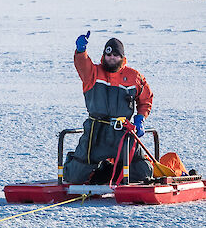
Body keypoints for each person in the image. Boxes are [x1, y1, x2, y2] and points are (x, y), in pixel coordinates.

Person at [63, 31, 154, 184]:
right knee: (74, 177)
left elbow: (146, 99)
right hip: (96, 131)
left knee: (144, 172)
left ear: (122, 58)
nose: (111, 58)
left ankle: (111, 170)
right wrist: (80, 50)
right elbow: (82, 63)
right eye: (108, 55)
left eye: (115, 55)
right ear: (104, 56)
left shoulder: (134, 77)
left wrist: (140, 118)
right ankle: (77, 161)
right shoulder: (93, 73)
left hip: (123, 132)